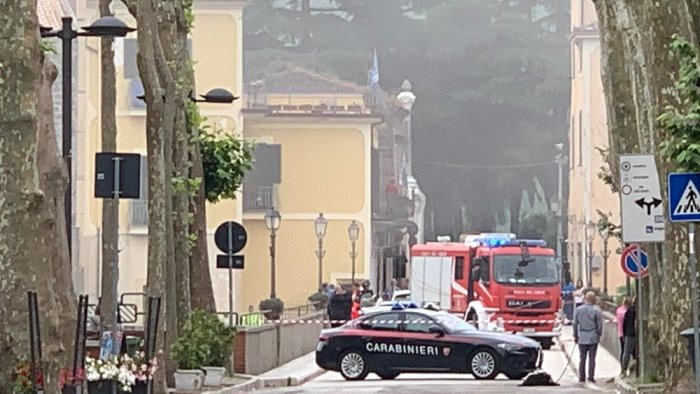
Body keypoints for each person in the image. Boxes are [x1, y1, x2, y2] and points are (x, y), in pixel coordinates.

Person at [573, 291, 603, 384]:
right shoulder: (597, 310)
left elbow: (575, 323)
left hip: (582, 336)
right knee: (592, 358)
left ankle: (582, 377)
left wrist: (575, 335)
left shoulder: (579, 309)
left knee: (582, 358)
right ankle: (591, 377)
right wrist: (599, 334)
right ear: (594, 299)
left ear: (585, 299)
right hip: (593, 336)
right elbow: (599, 325)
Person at [621, 298, 637, 377]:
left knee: (626, 352)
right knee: (630, 352)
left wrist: (624, 334)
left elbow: (624, 324)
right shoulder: (634, 311)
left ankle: (624, 369)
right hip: (633, 333)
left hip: (629, 334)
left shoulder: (629, 311)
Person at [616, 297, 632, 364]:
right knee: (626, 351)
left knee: (623, 350)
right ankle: (624, 366)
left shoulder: (618, 310)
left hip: (620, 332)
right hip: (626, 333)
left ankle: (622, 366)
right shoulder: (626, 312)